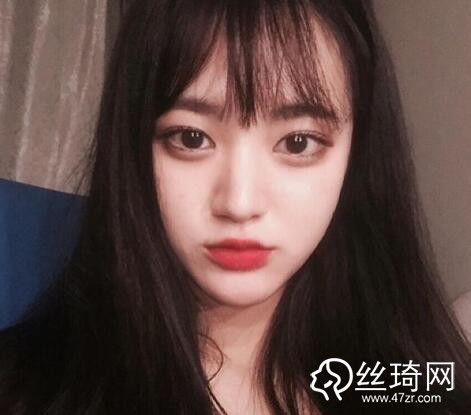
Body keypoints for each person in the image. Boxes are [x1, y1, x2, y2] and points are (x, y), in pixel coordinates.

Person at [1, 1, 470, 414]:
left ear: (357, 157)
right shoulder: (25, 390)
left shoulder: (407, 383)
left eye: (298, 142)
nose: (239, 203)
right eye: (191, 138)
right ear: (135, 147)